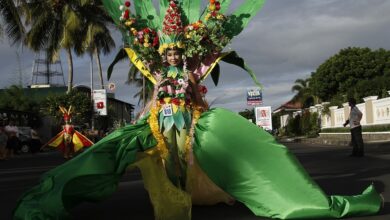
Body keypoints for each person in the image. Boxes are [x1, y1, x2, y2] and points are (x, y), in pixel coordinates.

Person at [14, 1, 382, 219]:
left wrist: (200, 114)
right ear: (163, 54)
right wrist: (144, 116)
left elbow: (197, 98)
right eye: (169, 52)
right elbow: (155, 97)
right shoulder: (159, 74)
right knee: (124, 153)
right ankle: (165, 199)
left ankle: (197, 197)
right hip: (161, 121)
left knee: (203, 155)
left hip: (189, 120)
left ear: (182, 53)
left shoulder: (189, 73)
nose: (173, 55)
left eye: (176, 52)